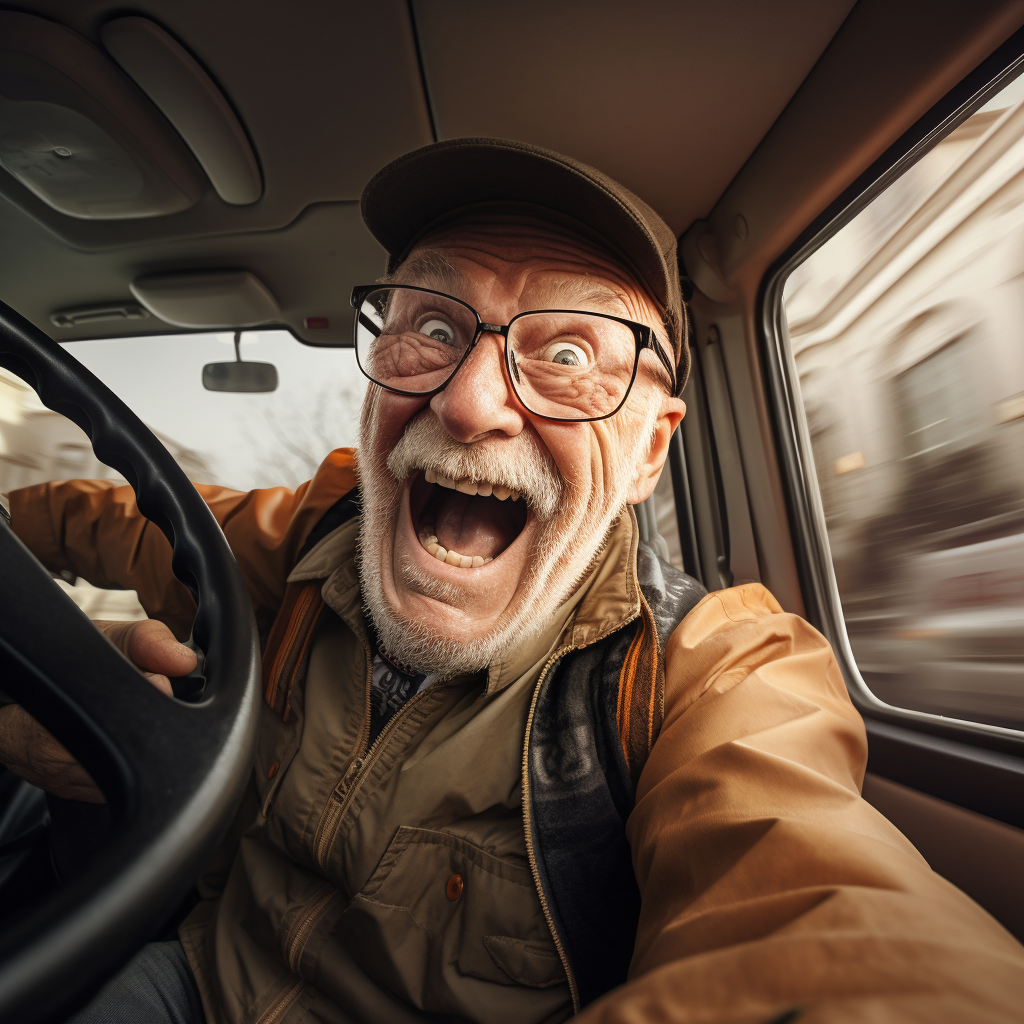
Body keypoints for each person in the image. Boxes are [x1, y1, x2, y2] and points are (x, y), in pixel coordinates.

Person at [3, 138, 1024, 1024]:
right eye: (435, 328)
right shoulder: (324, 526)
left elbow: (829, 927)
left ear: (647, 453)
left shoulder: (708, 672)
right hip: (200, 984)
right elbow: (133, 523)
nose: (468, 400)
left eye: (571, 350)